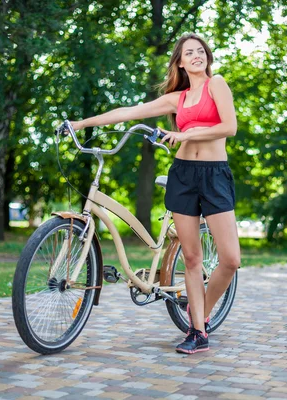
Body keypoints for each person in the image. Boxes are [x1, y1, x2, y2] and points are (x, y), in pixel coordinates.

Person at [70, 33, 240, 354]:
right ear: (179, 62)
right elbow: (128, 112)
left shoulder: (217, 84)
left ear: (207, 57)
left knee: (230, 259)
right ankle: (198, 332)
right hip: (183, 176)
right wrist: (81, 123)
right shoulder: (178, 99)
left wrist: (184, 132)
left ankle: (198, 308)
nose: (196, 55)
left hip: (215, 174)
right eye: (188, 52)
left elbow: (229, 127)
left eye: (200, 51)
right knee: (191, 257)